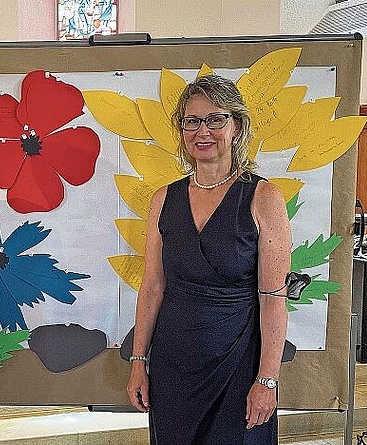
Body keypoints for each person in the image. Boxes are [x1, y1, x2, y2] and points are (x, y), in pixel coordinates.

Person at [126, 74, 291, 444]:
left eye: (216, 119)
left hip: (238, 365)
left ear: (237, 126)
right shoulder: (163, 199)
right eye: (192, 121)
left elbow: (273, 298)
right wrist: (139, 362)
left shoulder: (264, 197)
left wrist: (267, 380)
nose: (203, 131)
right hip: (172, 366)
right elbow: (152, 286)